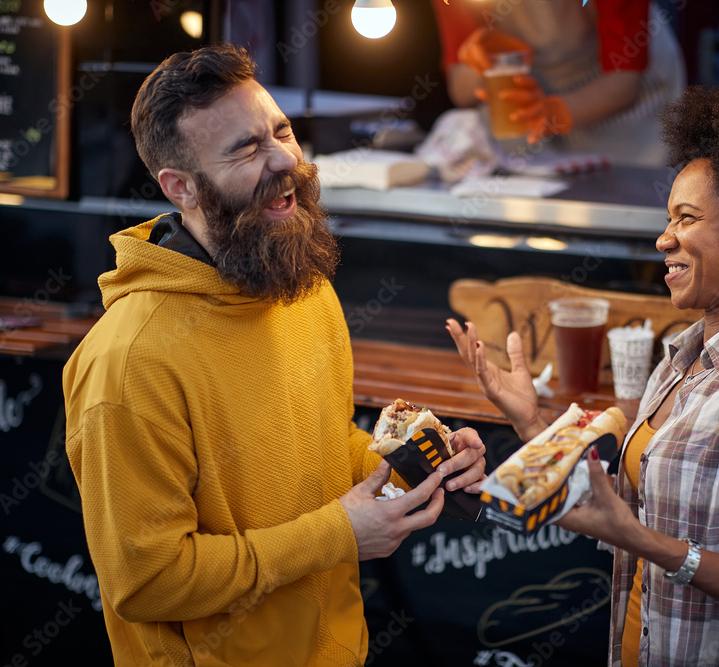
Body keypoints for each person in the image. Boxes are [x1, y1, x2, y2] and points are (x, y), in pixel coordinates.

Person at [62, 43, 487, 666]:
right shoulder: (130, 363)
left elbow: (310, 444)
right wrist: (335, 536)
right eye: (245, 149)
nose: (285, 159)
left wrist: (410, 461)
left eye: (281, 131)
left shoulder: (298, 282)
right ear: (181, 188)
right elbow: (147, 581)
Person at [447, 78, 719, 665]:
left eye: (687, 218)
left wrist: (645, 543)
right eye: (669, 219)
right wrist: (532, 423)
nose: (665, 238)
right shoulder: (682, 360)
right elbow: (630, 516)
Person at [431, 0, 685, 165]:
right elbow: (461, 91)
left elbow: (624, 86)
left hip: (631, 112)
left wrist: (552, 113)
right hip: (535, 99)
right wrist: (482, 65)